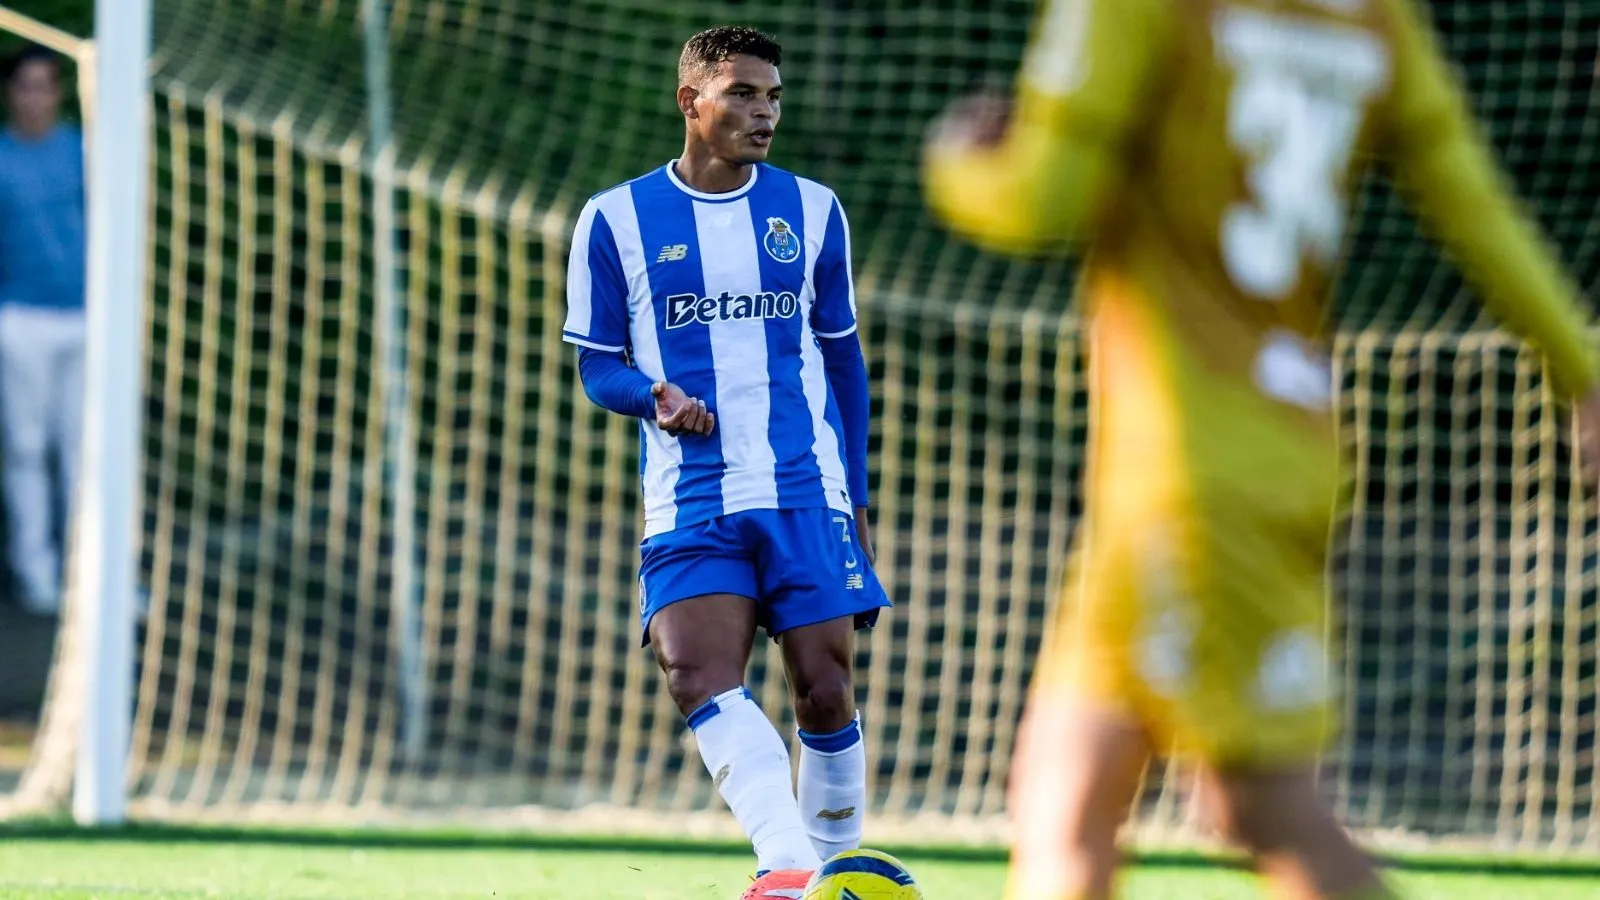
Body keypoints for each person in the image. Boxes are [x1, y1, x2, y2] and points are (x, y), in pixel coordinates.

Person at [921, 1, 1600, 898]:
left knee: (1253, 802)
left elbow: (1040, 200)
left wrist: (958, 163)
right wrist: (1584, 374)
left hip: (1185, 472)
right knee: (1067, 794)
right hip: (1274, 447)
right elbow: (1477, 207)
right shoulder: (1374, 18)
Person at [562, 25, 890, 892]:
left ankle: (833, 870)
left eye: (773, 96)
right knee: (693, 672)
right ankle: (791, 871)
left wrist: (857, 496)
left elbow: (844, 361)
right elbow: (597, 365)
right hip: (691, 496)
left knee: (825, 688)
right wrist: (655, 397)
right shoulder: (615, 219)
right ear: (690, 101)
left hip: (803, 487)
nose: (764, 112)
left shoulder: (813, 211)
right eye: (743, 93)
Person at [0, 44, 86, 617]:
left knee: (85, 452)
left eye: (45, 86)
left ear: (59, 93)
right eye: (25, 86)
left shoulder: (83, 150)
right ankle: (35, 573)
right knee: (26, 448)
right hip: (20, 320)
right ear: (11, 93)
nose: (35, 98)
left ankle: (92, 576)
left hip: (84, 317)